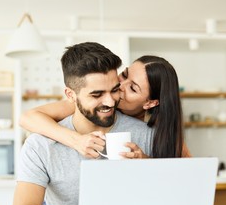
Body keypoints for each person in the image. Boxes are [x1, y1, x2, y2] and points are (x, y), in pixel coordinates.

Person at [12, 42, 154, 205]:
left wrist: (148, 166)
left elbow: (172, 197)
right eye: (97, 95)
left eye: (114, 90)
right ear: (70, 95)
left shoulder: (145, 134)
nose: (110, 102)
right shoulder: (41, 145)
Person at [20, 56, 191, 158]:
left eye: (132, 88)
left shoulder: (160, 133)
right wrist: (76, 140)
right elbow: (28, 118)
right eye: (123, 75)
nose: (120, 85)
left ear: (150, 103)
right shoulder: (98, 106)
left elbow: (186, 176)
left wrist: (146, 163)